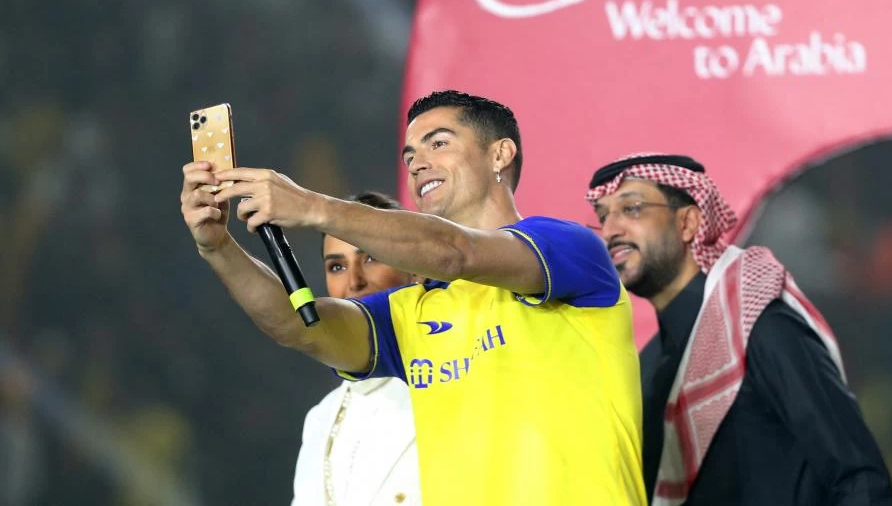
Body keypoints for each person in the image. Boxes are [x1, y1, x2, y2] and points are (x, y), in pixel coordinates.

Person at [180, 90, 645, 506]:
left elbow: (454, 252)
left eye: (438, 143)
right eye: (409, 156)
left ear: (500, 154)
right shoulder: (410, 313)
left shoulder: (567, 248)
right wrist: (217, 246)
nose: (417, 162)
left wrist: (312, 207)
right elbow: (293, 324)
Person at [585, 153, 892, 506]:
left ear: (687, 223)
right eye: (603, 217)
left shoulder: (758, 324)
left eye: (633, 208)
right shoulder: (647, 366)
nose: (610, 231)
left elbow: (859, 479)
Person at [292, 192, 421, 506]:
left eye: (371, 257)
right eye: (337, 267)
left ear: (417, 269)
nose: (354, 282)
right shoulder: (320, 418)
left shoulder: (452, 377)